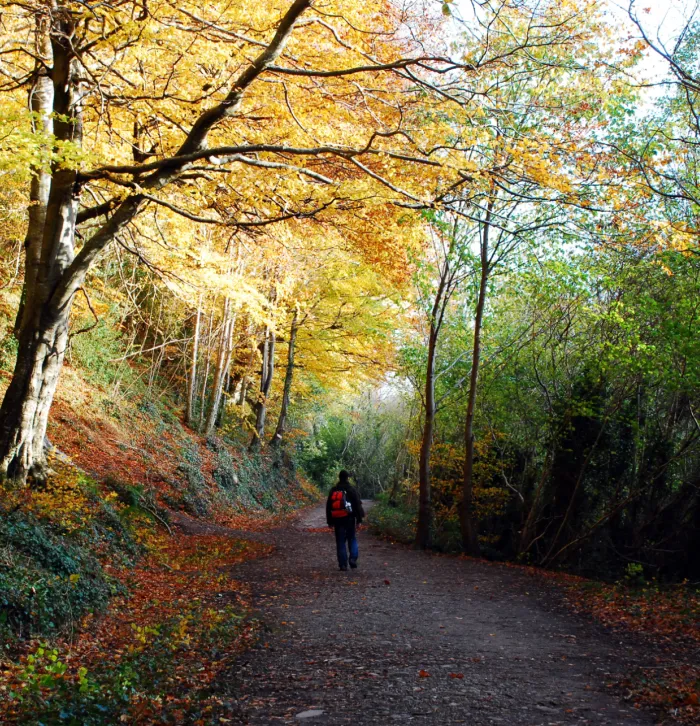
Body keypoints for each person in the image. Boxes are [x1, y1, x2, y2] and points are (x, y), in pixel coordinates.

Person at [326, 470, 365, 571]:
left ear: (339, 477)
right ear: (347, 478)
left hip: (337, 519)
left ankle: (343, 564)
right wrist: (359, 520)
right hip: (349, 518)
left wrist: (330, 522)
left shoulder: (334, 490)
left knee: (340, 541)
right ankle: (352, 559)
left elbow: (328, 506)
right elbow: (357, 505)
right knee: (352, 538)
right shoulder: (351, 489)